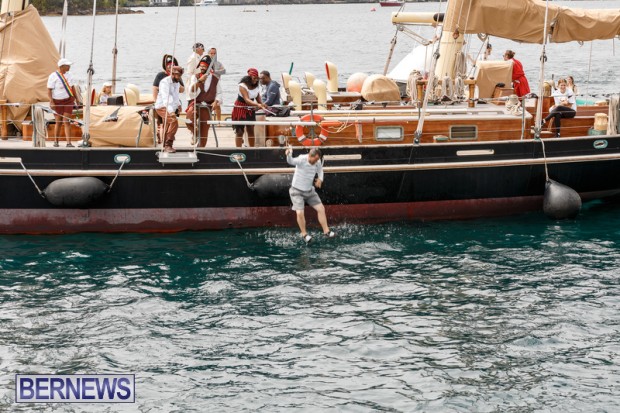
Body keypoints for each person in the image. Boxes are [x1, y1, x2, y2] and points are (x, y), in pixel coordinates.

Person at [285, 146, 335, 243]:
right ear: (310, 156)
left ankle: (326, 231)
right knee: (300, 213)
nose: (316, 162)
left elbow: (320, 170)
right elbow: (291, 161)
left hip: (309, 191)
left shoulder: (317, 161)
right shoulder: (301, 159)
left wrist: (320, 179)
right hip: (296, 191)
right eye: (315, 160)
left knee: (321, 208)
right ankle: (304, 234)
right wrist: (288, 154)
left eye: (317, 160)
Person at [186, 56, 223, 147]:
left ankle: (201, 148)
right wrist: (199, 81)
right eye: (201, 66)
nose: (202, 68)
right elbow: (191, 92)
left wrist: (216, 101)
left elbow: (219, 93)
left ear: (209, 67)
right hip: (195, 104)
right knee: (188, 120)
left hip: (207, 106)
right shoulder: (195, 77)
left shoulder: (215, 79)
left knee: (204, 129)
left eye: (204, 66)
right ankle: (195, 132)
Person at [231, 68, 266, 147]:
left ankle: (251, 149)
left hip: (250, 109)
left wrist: (262, 104)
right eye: (254, 78)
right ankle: (238, 149)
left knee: (250, 129)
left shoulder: (256, 86)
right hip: (240, 108)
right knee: (240, 131)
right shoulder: (242, 86)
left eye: (257, 79)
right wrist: (257, 105)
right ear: (249, 77)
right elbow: (247, 100)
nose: (256, 80)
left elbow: (258, 99)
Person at [153, 54, 184, 143]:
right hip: (162, 105)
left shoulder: (177, 81)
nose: (179, 77)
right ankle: (168, 142)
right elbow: (165, 97)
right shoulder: (163, 80)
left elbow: (177, 94)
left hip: (172, 105)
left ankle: (165, 140)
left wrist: (178, 105)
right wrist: (171, 111)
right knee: (173, 121)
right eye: (169, 65)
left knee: (167, 124)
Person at [47, 58, 77, 147]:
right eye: (68, 65)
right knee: (58, 122)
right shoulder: (53, 76)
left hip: (68, 100)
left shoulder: (70, 75)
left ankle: (69, 143)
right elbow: (49, 90)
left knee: (66, 121)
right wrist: (51, 101)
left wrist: (76, 98)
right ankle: (56, 142)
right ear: (62, 66)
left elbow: (72, 87)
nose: (69, 67)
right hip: (57, 102)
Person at [207, 47, 226, 121]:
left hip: (216, 84)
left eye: (214, 53)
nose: (213, 55)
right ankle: (208, 120)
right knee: (208, 104)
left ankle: (219, 121)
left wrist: (215, 71)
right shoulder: (206, 62)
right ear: (208, 53)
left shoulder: (218, 63)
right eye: (211, 53)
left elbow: (224, 71)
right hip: (208, 85)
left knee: (217, 104)